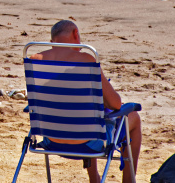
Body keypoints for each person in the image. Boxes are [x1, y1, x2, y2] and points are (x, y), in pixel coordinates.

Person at [30, 20, 142, 183]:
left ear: (52, 41)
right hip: (88, 144)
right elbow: (116, 104)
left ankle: (94, 179)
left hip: (51, 140)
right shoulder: (87, 60)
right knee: (132, 117)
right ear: (75, 34)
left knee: (86, 116)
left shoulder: (36, 60)